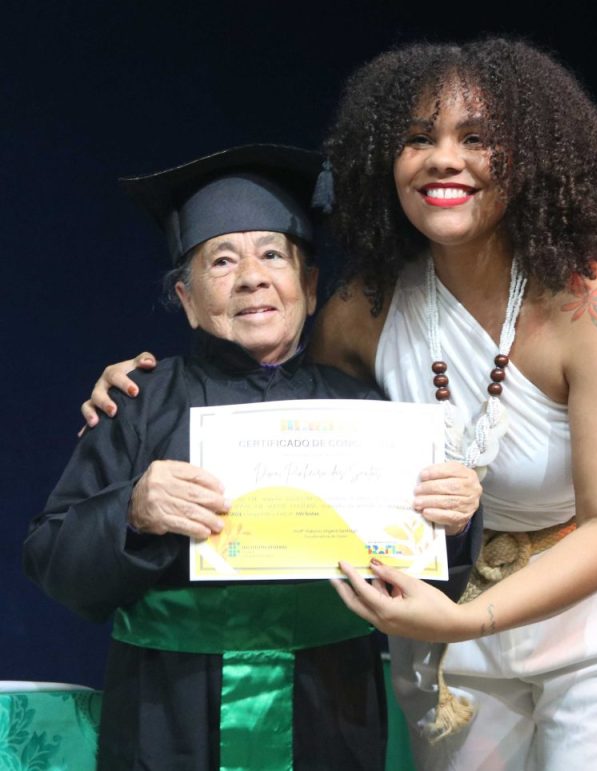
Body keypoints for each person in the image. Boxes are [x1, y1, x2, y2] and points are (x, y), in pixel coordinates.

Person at [81, 39, 597, 771]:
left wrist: (467, 615)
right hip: (434, 614)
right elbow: (281, 415)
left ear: (532, 156)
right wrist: (132, 389)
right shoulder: (362, 310)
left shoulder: (592, 307)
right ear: (387, 161)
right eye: (418, 139)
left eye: (476, 139)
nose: (445, 159)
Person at [26, 144, 481, 770]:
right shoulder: (137, 404)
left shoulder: (370, 412)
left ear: (311, 286)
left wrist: (455, 523)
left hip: (330, 712)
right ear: (186, 299)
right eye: (221, 260)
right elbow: (51, 562)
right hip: (169, 717)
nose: (251, 277)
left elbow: (430, 578)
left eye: (273, 254)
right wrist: (133, 511)